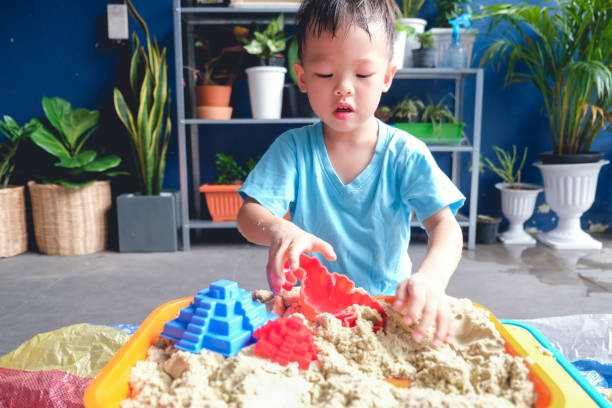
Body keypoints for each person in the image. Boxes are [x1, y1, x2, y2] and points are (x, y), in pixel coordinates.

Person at [237, 0, 465, 348]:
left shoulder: (404, 154)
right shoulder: (294, 150)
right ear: (302, 78)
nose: (344, 87)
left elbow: (444, 225)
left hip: (386, 311)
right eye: (326, 74)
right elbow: (248, 215)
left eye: (362, 75)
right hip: (311, 314)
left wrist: (431, 278)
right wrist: (279, 228)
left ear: (387, 76)